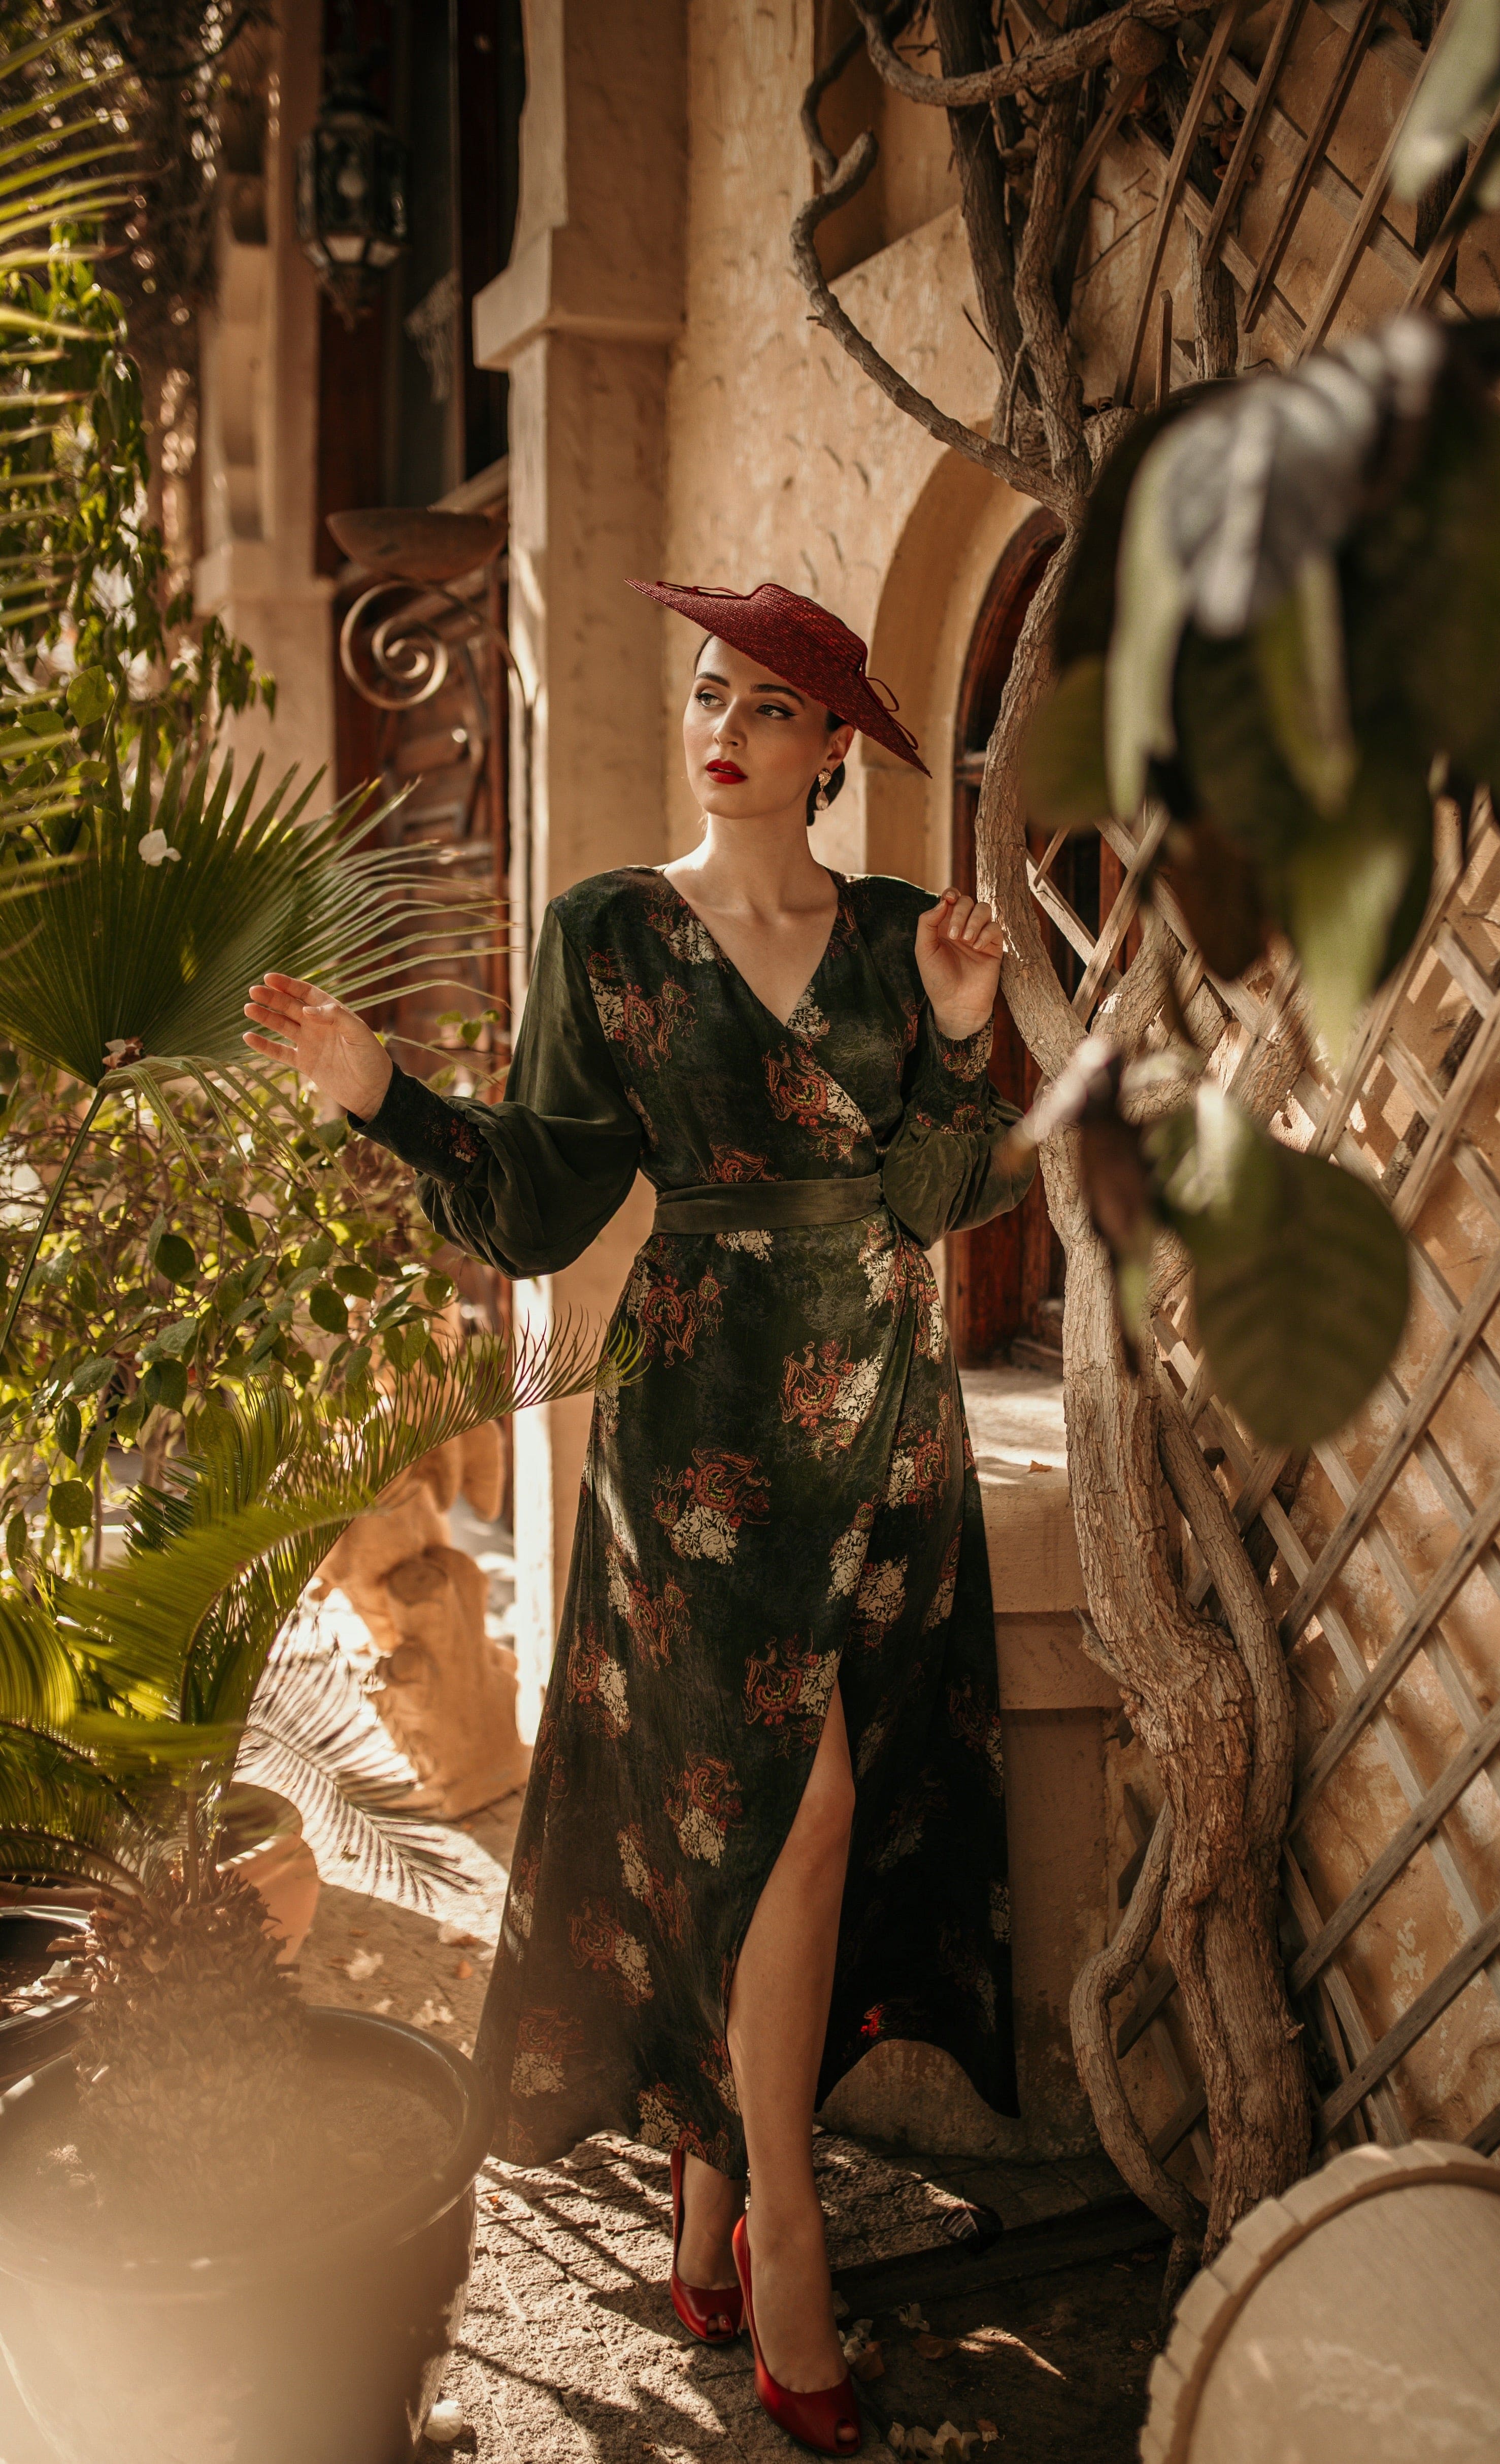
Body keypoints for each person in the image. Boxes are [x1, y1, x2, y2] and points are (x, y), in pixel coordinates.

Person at [244, 578, 1035, 2457]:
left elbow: (936, 1200)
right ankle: (783, 2246)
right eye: (709, 694)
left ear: (838, 748)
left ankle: (703, 2186)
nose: (727, 726)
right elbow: (534, 1206)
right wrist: (386, 1101)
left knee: (810, 1812)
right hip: (698, 1442)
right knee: (788, 1808)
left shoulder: (911, 935)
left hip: (887, 1431)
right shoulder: (606, 935)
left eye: (772, 706)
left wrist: (963, 1030)